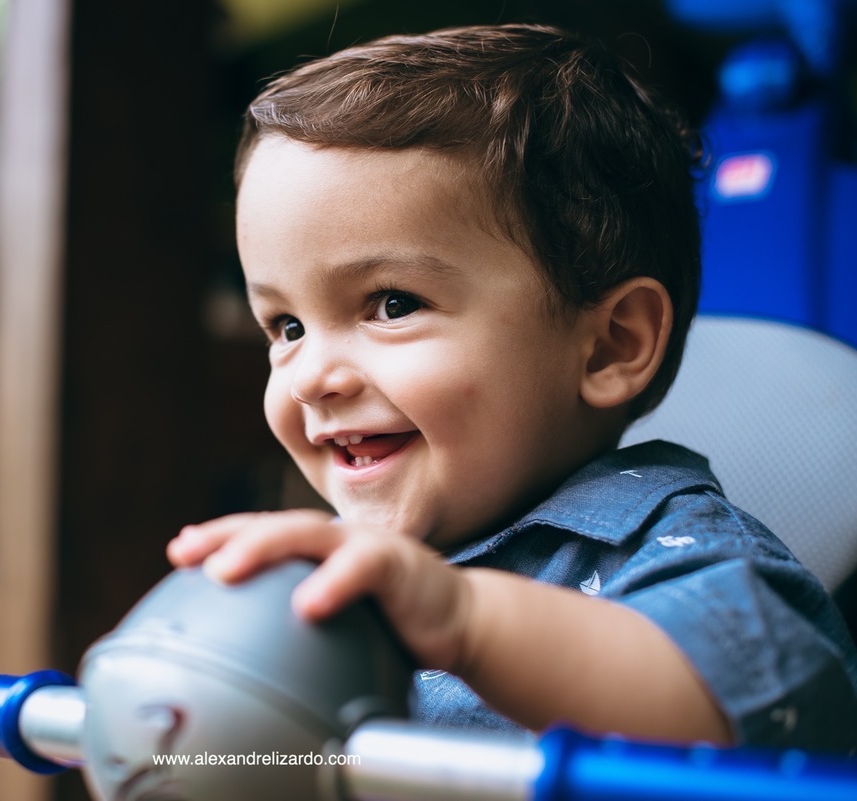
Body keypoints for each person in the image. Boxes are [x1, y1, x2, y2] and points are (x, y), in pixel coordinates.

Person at [167, 23, 857, 752]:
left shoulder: (667, 552)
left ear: (610, 345)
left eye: (392, 304)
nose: (308, 377)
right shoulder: (319, 581)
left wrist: (465, 620)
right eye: (286, 325)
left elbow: (762, 698)